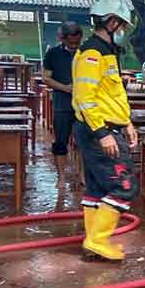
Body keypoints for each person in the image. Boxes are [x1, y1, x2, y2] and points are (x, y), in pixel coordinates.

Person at [72, 0, 138, 261]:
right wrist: (103, 133)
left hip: (109, 126)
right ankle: (98, 240)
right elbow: (85, 98)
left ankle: (93, 242)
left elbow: (112, 94)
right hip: (97, 130)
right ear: (111, 22)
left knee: (98, 187)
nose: (123, 31)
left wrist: (127, 123)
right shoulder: (92, 53)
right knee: (124, 186)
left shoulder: (108, 52)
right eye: (121, 25)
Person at [43, 22, 83, 185]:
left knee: (83, 142)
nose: (74, 46)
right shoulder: (52, 54)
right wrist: (65, 88)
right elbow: (46, 78)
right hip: (62, 105)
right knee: (61, 142)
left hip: (83, 106)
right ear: (62, 38)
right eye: (71, 42)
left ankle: (82, 176)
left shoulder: (86, 53)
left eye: (77, 42)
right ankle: (61, 177)